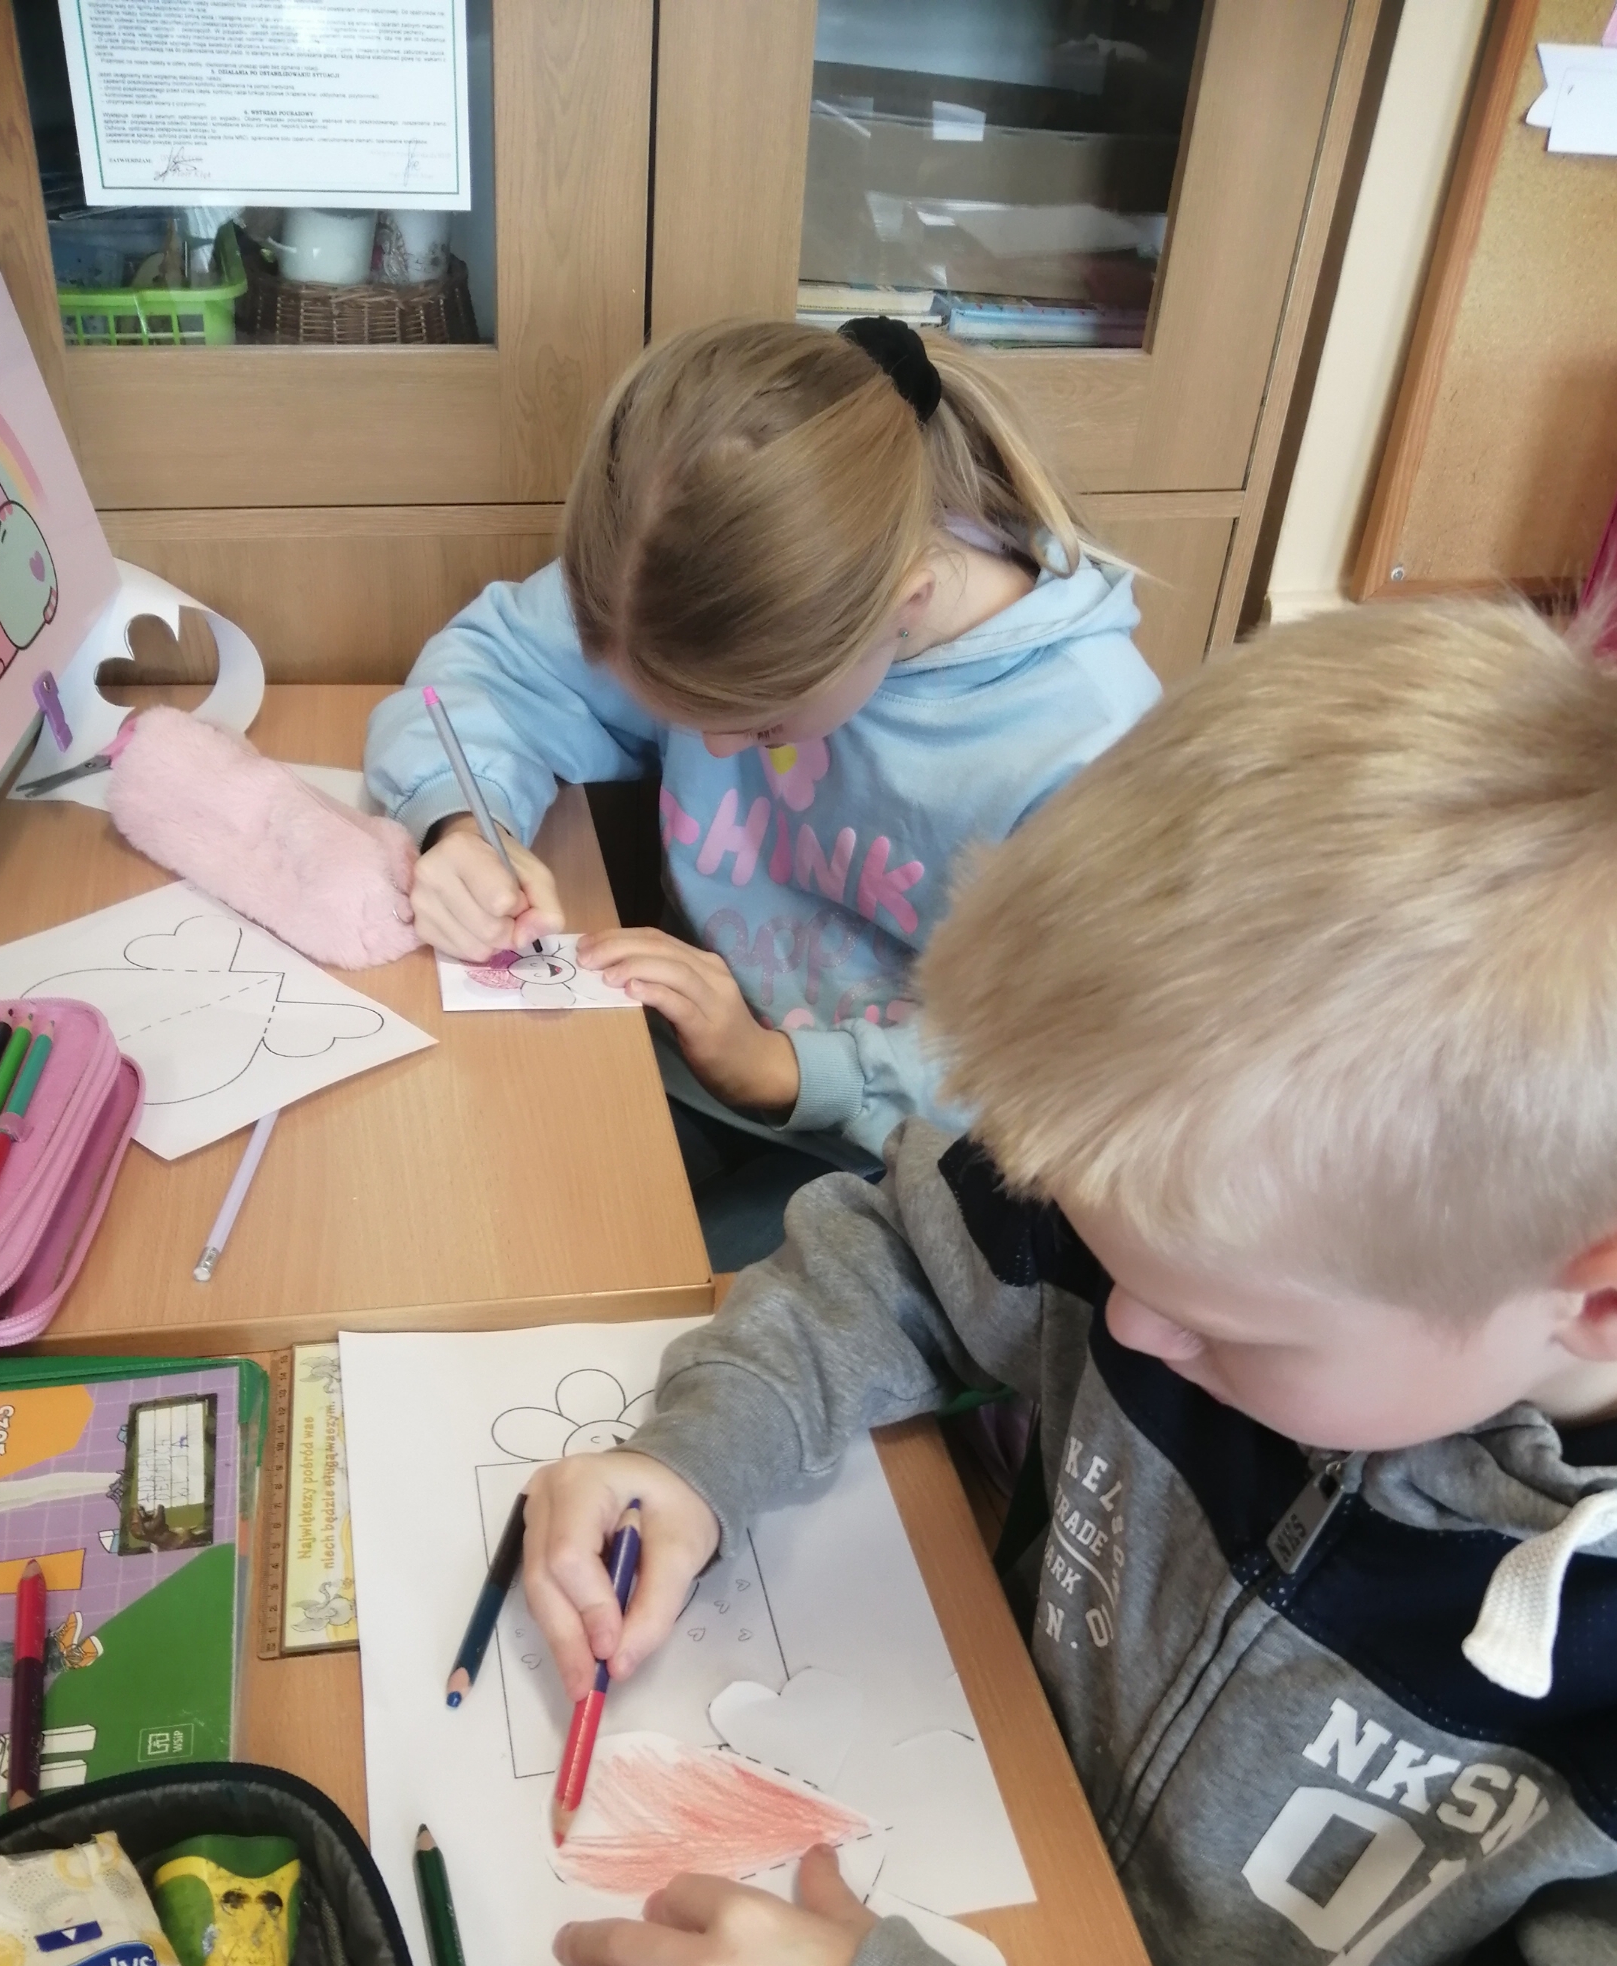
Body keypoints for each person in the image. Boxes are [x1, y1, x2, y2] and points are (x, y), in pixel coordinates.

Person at [515, 596, 1617, 1966]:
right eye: (1095, 1247)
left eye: (1221, 1330)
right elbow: (914, 1246)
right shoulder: (1229, 1187)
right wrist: (703, 1449)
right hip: (987, 1903)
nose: (1115, 1328)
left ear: (1616, 1305)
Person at [364, 317, 1158, 1266]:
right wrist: (465, 821)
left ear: (902, 609)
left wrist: (781, 1068)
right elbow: (491, 672)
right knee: (465, 1213)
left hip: (903, 1158)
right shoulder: (696, 576)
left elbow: (1069, 1069)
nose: (710, 749)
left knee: (646, 1297)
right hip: (684, 1063)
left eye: (761, 723)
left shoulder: (1088, 749)